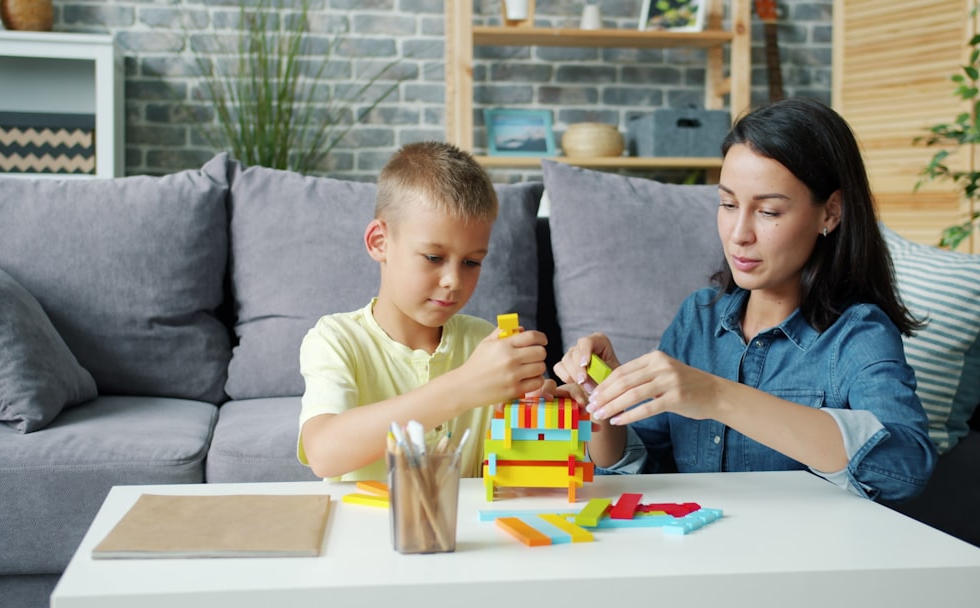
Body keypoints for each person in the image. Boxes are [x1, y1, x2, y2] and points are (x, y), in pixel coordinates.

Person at [554, 98, 938, 502]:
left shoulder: (856, 335)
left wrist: (717, 396)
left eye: (768, 211)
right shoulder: (698, 319)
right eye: (728, 204)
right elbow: (649, 468)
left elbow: (904, 468)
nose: (739, 233)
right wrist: (606, 403)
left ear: (831, 213)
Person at [298, 141, 549, 482]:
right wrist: (462, 386)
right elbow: (324, 454)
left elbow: (525, 470)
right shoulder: (336, 339)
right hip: (363, 531)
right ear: (379, 242)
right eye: (433, 257)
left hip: (465, 529)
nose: (453, 281)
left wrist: (554, 411)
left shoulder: (484, 343)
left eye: (472, 262)